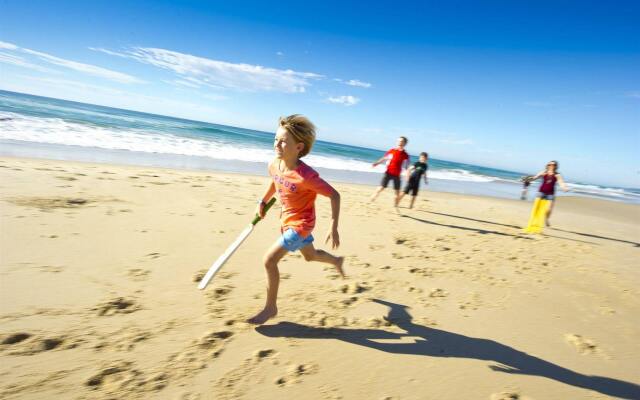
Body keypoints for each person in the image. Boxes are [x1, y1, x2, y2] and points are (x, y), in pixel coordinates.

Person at [248, 115, 345, 325]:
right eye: (276, 139)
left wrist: (333, 227)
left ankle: (270, 307)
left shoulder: (306, 176)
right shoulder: (274, 164)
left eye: (283, 141)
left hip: (301, 225)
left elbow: (334, 195)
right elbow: (275, 182)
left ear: (299, 147)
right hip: (287, 220)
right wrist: (262, 202)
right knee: (310, 256)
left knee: (269, 260)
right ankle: (336, 261)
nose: (277, 144)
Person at [370, 136, 410, 207]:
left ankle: (395, 205)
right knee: (381, 188)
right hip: (388, 173)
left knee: (397, 192)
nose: (399, 142)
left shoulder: (406, 155)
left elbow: (407, 167)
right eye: (398, 141)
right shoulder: (392, 150)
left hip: (397, 175)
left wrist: (407, 176)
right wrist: (376, 163)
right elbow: (384, 158)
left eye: (401, 141)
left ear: (405, 143)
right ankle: (372, 198)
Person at [528, 161, 569, 226]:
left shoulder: (557, 175)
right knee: (536, 208)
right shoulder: (543, 172)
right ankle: (534, 220)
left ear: (556, 166)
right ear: (547, 165)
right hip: (541, 192)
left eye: (553, 165)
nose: (551, 166)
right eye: (550, 164)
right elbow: (535, 177)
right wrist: (529, 179)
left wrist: (564, 187)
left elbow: (561, 182)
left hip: (550, 194)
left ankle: (546, 219)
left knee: (548, 209)